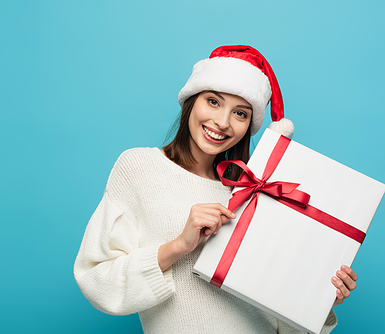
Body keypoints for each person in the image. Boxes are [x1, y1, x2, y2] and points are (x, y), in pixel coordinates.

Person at [74, 45, 358, 333]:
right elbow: (98, 279)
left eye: (240, 113)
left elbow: (277, 321)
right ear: (191, 101)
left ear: (249, 125)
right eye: (213, 101)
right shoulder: (139, 167)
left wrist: (321, 301)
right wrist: (179, 247)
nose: (222, 122)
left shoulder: (251, 193)